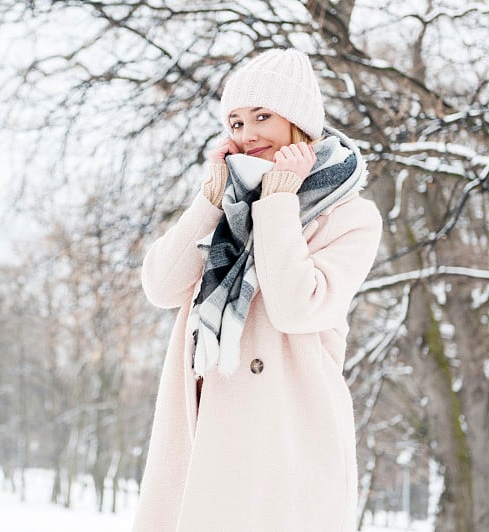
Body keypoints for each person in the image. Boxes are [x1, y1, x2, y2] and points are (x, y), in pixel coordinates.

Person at [132, 48, 383, 532]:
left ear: (299, 123)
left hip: (286, 435)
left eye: (262, 117)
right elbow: (161, 287)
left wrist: (279, 200)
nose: (247, 135)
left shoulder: (351, 217)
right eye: (236, 121)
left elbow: (295, 306)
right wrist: (210, 198)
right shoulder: (227, 203)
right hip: (203, 428)